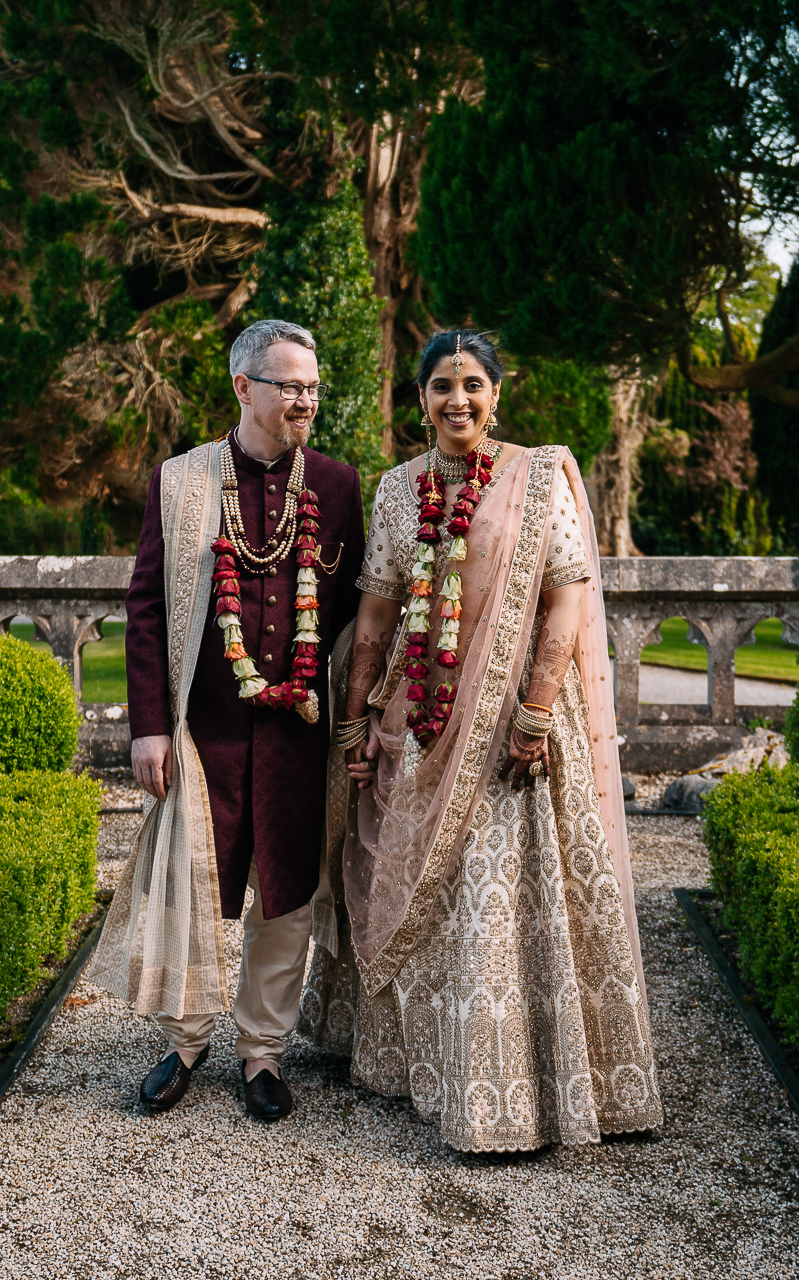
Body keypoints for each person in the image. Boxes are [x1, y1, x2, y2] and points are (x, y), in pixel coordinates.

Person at [301, 329, 663, 1152]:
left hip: (513, 725)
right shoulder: (398, 490)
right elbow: (379, 612)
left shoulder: (538, 479)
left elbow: (567, 596)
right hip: (421, 714)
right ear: (420, 400)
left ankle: (516, 1087)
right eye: (439, 385)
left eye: (471, 384)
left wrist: (535, 709)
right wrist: (356, 717)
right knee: (412, 882)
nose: (456, 399)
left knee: (496, 895)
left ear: (497, 395)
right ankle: (412, 1066)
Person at [92, 318, 365, 1122]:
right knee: (192, 887)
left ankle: (262, 1052)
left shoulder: (340, 485)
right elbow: (145, 606)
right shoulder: (179, 482)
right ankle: (184, 1041)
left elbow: (353, 616)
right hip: (199, 725)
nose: (304, 400)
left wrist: (356, 721)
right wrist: (147, 725)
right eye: (290, 386)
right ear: (244, 387)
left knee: (285, 892)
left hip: (298, 732)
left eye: (312, 386)